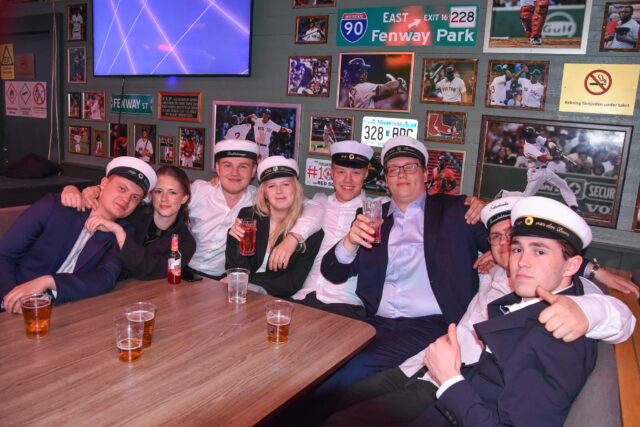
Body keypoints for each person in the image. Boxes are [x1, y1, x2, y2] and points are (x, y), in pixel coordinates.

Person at [316, 196, 635, 425]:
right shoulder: (491, 272)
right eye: (508, 243)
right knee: (329, 402)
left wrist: (588, 307)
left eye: (534, 250)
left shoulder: (560, 307)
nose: (518, 257)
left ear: (572, 265)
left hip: (448, 386)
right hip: (421, 366)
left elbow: (618, 314)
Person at [319, 135, 490, 390]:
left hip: (432, 322)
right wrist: (350, 241)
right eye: (393, 169)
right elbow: (333, 273)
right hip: (376, 320)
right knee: (323, 355)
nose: (401, 174)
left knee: (356, 365)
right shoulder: (372, 216)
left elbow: (507, 241)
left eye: (410, 167)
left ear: (426, 174)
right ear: (386, 180)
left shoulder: (457, 210)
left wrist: (496, 248)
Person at [0, 157, 156, 313]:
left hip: (65, 310)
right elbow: (4, 255)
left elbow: (106, 277)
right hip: (12, 301)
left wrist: (49, 281)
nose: (126, 199)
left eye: (135, 197)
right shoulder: (54, 206)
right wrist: (13, 298)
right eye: (122, 188)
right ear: (103, 184)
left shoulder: (122, 231)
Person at [186, 139, 320, 281]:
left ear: (254, 170)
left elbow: (314, 207)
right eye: (227, 165)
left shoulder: (262, 199)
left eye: (243, 166)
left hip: (222, 281)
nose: (234, 173)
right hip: (183, 271)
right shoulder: (198, 191)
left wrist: (293, 238)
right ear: (218, 168)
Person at [61, 166, 196, 281]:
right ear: (151, 195)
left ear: (184, 198)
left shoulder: (186, 242)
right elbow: (106, 199)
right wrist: (73, 189)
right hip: (91, 280)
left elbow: (155, 270)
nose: (164, 199)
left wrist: (119, 232)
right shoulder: (131, 214)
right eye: (159, 191)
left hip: (139, 293)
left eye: (172, 193)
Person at [225, 156, 324, 298]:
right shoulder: (248, 215)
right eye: (271, 186)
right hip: (239, 294)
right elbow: (235, 268)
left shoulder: (309, 231)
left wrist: (246, 282)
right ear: (264, 193)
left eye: (285, 184)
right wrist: (233, 238)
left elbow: (291, 283)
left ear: (295, 188)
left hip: (275, 299)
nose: (279, 191)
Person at [497, 126, 579, 210]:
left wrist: (555, 148)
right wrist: (558, 158)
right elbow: (543, 158)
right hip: (536, 172)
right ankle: (504, 194)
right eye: (532, 137)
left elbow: (547, 142)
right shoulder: (528, 148)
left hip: (545, 170)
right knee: (526, 196)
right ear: (527, 138)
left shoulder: (536, 137)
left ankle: (573, 206)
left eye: (534, 136)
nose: (535, 138)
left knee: (562, 183)